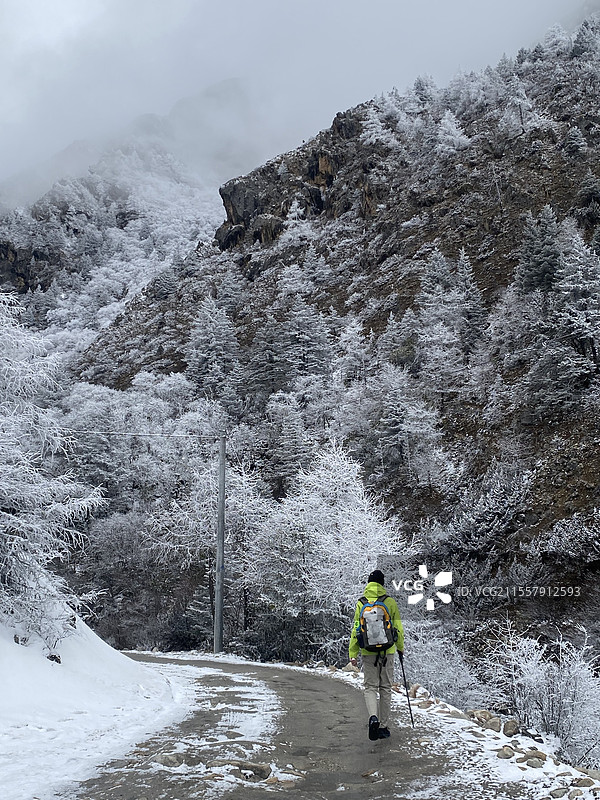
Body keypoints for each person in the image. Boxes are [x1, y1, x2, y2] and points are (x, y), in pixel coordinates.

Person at [349, 569, 404, 740]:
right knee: (385, 688)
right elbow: (398, 628)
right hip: (388, 651)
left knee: (370, 687)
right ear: (382, 584)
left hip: (368, 651)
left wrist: (353, 653)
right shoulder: (390, 602)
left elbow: (356, 629)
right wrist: (400, 648)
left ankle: (373, 717)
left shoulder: (361, 603)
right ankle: (384, 726)